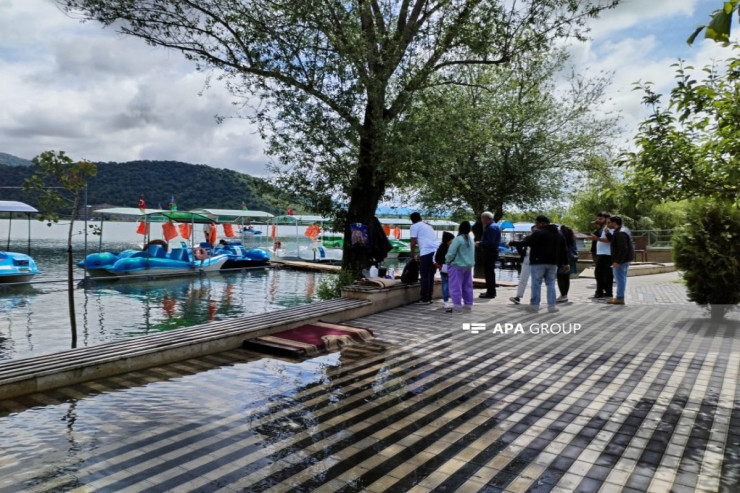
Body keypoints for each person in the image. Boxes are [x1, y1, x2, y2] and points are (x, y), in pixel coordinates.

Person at [510, 215, 569, 313]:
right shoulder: (559, 234)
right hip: (553, 263)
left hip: (538, 262)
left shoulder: (539, 233)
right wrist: (566, 264)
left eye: (537, 223)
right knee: (551, 284)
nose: (536, 226)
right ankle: (552, 306)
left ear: (542, 223)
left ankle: (535, 306)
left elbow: (526, 243)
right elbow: (564, 250)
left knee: (536, 283)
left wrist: (512, 243)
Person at [445, 221, 475, 313]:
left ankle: (457, 305)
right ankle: (468, 304)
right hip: (468, 266)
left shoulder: (458, 239)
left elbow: (451, 253)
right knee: (468, 286)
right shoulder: (470, 239)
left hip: (457, 266)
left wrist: (447, 261)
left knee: (455, 286)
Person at [409, 212, 438, 304]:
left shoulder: (414, 226)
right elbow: (425, 240)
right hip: (435, 252)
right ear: (420, 218)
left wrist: (412, 255)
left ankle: (424, 298)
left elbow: (413, 242)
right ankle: (429, 297)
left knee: (424, 275)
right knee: (431, 275)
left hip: (426, 253)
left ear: (412, 220)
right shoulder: (428, 226)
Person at [605, 215, 634, 305]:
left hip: (621, 260)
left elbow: (623, 248)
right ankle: (619, 297)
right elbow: (614, 242)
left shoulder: (620, 233)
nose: (607, 224)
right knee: (622, 278)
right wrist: (607, 234)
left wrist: (618, 261)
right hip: (625, 259)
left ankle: (620, 298)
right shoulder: (622, 230)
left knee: (620, 279)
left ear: (614, 223)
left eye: (609, 222)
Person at [475, 211, 501, 298]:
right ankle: (490, 291)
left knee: (489, 272)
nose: (481, 220)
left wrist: (480, 243)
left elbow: (490, 241)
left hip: (490, 252)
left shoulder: (491, 228)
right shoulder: (495, 226)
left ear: (486, 218)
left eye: (482, 218)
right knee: (490, 272)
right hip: (492, 251)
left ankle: (490, 292)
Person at [509, 225, 537, 304]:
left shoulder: (539, 238)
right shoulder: (528, 238)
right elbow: (520, 245)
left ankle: (534, 299)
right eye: (533, 231)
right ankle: (518, 296)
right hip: (527, 259)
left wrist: (513, 243)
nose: (534, 232)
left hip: (537, 261)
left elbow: (520, 244)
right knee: (523, 278)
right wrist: (522, 254)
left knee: (535, 281)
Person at [589, 212, 613, 300]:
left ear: (607, 219)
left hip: (606, 254)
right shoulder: (605, 228)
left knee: (600, 273)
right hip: (601, 253)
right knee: (606, 274)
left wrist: (596, 238)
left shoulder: (609, 228)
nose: (598, 220)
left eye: (600, 218)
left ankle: (600, 292)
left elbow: (609, 240)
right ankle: (607, 291)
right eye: (598, 218)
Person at [556, 225, 578, 303]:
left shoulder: (560, 239)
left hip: (562, 260)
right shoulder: (572, 239)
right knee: (566, 278)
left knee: (560, 277)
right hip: (571, 260)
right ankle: (565, 295)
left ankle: (563, 295)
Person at [434, 232, 455, 312]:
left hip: (446, 270)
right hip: (446, 270)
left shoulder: (443, 248)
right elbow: (438, 259)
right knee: (446, 285)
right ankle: (447, 301)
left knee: (447, 286)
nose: (452, 241)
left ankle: (447, 301)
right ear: (448, 240)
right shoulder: (444, 249)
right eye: (451, 240)